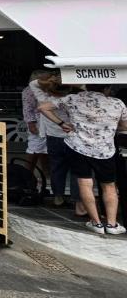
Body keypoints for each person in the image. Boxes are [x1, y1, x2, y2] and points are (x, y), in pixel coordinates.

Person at [40, 84, 127, 235]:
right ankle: (112, 225)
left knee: (85, 183)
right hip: (104, 150)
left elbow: (42, 107)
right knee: (109, 186)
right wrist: (108, 127)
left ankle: (96, 223)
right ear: (106, 89)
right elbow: (124, 126)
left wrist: (62, 123)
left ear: (86, 85)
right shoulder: (118, 103)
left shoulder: (73, 98)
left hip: (77, 147)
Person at [33, 73, 81, 213]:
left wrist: (51, 79)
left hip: (53, 136)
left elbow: (33, 83)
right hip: (73, 137)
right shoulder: (73, 99)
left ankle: (58, 197)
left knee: (57, 168)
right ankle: (77, 199)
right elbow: (84, 87)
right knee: (76, 170)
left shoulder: (44, 97)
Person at [21, 70, 49, 189]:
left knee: (45, 152)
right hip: (38, 124)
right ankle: (26, 176)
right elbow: (27, 109)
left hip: (48, 123)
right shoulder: (29, 91)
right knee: (34, 150)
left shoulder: (45, 89)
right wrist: (31, 124)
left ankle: (46, 177)